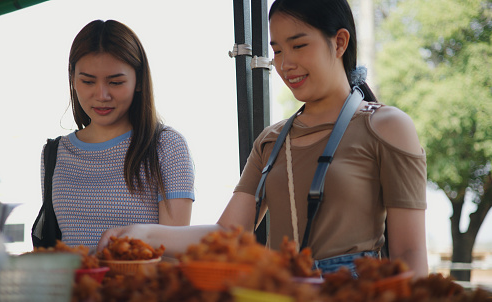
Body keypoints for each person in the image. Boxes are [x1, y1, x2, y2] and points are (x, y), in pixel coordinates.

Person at [98, 0, 428, 278]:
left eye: (299, 45)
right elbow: (229, 234)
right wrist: (141, 232)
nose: (285, 64)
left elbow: (410, 252)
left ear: (339, 42)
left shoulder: (386, 126)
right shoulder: (271, 140)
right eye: (277, 50)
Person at [37, 20, 195, 249]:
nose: (102, 95)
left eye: (116, 82)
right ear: (72, 78)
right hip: (73, 285)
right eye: (88, 81)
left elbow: (172, 254)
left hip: (139, 285)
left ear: (139, 81)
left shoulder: (165, 146)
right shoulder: (54, 154)